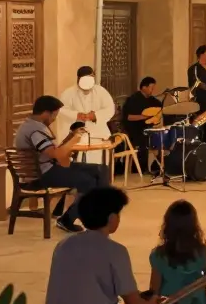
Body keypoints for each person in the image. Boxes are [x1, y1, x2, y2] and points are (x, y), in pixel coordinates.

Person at [16, 95, 109, 232]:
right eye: (55, 115)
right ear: (46, 113)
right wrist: (74, 140)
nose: (54, 119)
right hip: (41, 175)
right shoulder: (35, 131)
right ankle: (67, 220)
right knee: (87, 181)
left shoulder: (33, 125)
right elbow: (58, 155)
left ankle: (99, 213)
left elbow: (54, 151)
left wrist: (71, 136)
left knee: (101, 169)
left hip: (48, 169)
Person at [58, 65, 115, 164]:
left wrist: (96, 115)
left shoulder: (101, 91)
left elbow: (110, 109)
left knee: (98, 163)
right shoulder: (69, 93)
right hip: (76, 135)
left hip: (98, 134)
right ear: (78, 79)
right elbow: (61, 110)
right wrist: (76, 115)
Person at [122, 76, 163, 173]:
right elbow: (128, 117)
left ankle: (158, 167)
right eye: (151, 87)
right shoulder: (133, 99)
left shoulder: (153, 101)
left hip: (149, 129)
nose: (153, 90)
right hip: (135, 130)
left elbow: (160, 110)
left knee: (162, 139)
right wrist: (145, 117)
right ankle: (140, 169)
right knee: (143, 142)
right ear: (144, 87)